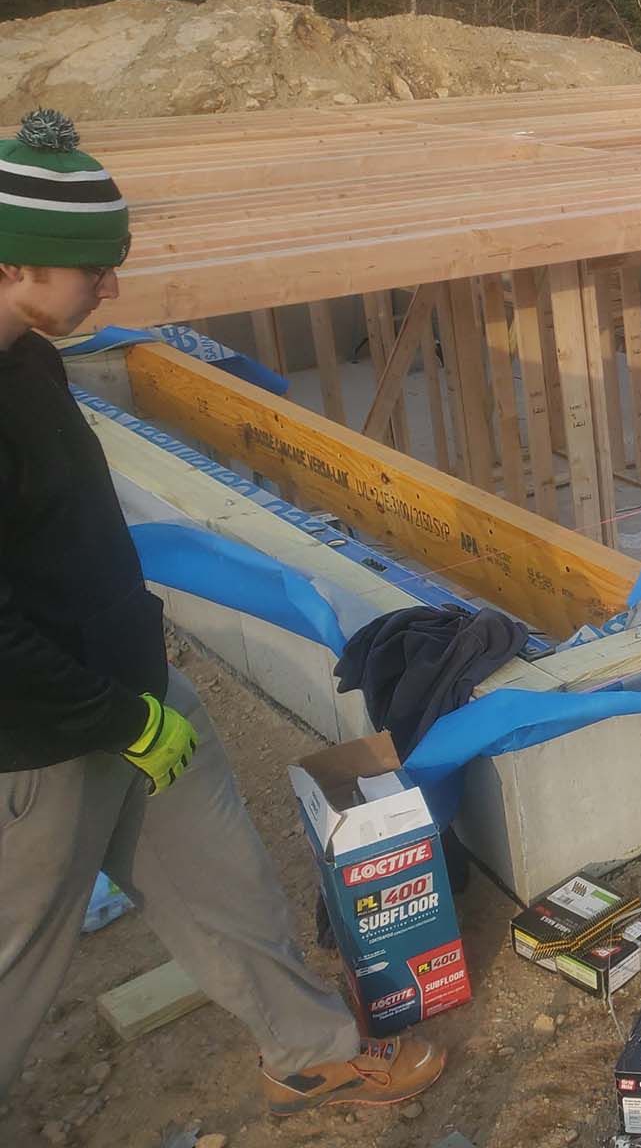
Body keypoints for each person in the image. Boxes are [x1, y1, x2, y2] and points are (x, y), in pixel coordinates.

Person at [0, 109, 446, 1116]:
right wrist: (117, 721)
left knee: (222, 878)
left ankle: (307, 1049)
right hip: (41, 744)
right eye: (94, 270)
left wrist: (140, 698)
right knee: (18, 961)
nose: (111, 287)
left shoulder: (27, 351)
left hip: (131, 691)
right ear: (19, 265)